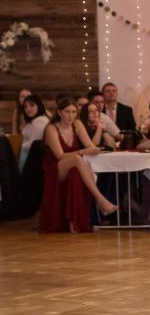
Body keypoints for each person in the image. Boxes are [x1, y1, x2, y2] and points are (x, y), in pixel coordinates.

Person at [39, 97, 117, 233]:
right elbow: (60, 156)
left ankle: (74, 224)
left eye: (74, 112)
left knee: (76, 172)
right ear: (59, 113)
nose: (71, 116)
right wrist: (82, 152)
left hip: (73, 164)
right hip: (54, 168)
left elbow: (90, 146)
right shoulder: (51, 129)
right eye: (67, 112)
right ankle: (100, 199)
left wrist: (99, 130)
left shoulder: (78, 124)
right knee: (77, 159)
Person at [18, 94, 49, 173]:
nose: (28, 109)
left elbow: (33, 145)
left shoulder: (40, 121)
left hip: (33, 163)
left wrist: (16, 146)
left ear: (39, 106)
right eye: (25, 106)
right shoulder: (33, 121)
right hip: (26, 158)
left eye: (32, 105)